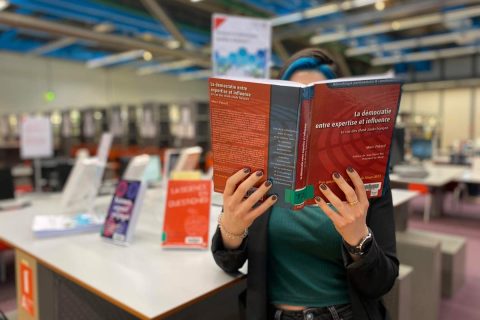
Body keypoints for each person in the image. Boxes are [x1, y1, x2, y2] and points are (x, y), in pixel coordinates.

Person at [211, 48, 399, 320]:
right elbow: (228, 262)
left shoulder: (365, 176)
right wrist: (231, 230)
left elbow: (383, 282)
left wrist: (359, 239)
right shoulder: (257, 170)